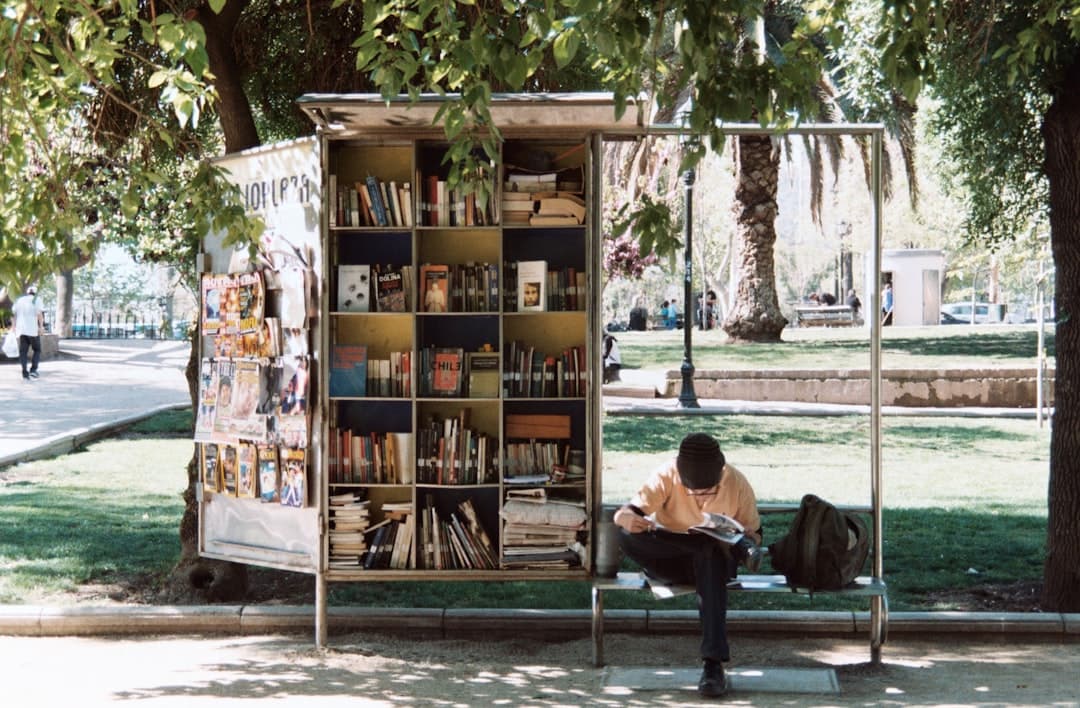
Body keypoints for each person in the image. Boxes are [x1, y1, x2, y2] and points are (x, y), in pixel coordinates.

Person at [614, 433, 761, 698]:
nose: (702, 495)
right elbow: (630, 512)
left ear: (721, 471)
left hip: (716, 561)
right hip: (670, 558)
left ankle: (713, 666)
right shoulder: (666, 474)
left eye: (709, 489)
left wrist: (748, 537)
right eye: (694, 489)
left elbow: (756, 534)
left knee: (710, 551)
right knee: (623, 534)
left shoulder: (736, 481)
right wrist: (624, 518)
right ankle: (713, 666)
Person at [12, 285, 45, 381]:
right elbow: (39, 314)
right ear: (35, 292)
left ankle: (24, 373)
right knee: (37, 350)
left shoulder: (20, 300)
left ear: (27, 292)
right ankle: (33, 370)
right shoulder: (37, 299)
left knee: (23, 352)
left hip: (22, 330)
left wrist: (13, 327)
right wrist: (41, 327)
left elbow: (14, 314)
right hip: (33, 330)